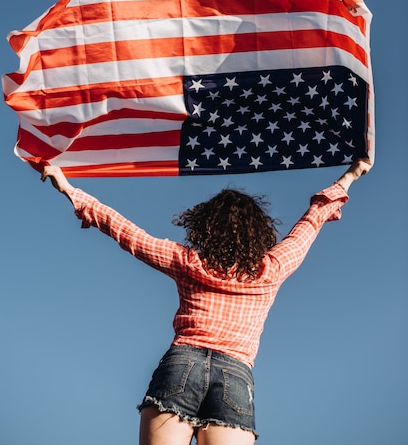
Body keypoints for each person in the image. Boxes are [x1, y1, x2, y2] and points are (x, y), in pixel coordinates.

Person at [41, 159, 371, 445]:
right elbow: (311, 221)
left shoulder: (187, 262)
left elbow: (126, 232)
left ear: (204, 228)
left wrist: (69, 189)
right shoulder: (272, 268)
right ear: (258, 231)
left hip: (181, 365)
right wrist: (351, 174)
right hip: (236, 376)